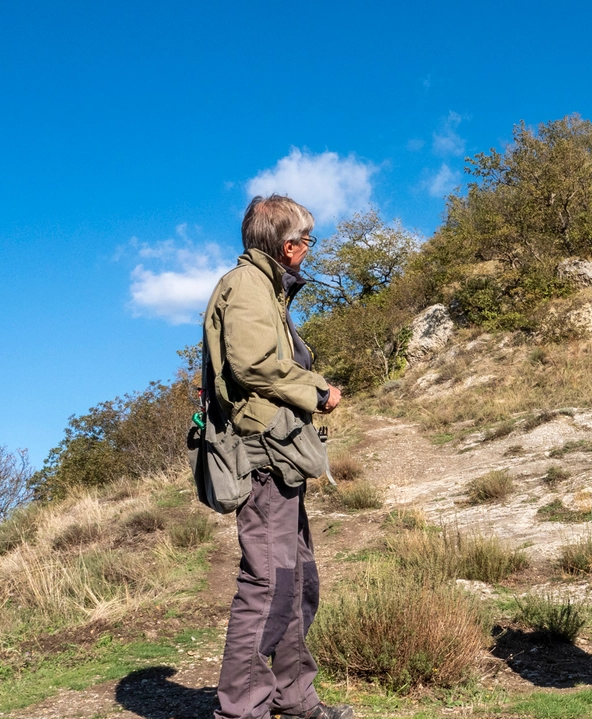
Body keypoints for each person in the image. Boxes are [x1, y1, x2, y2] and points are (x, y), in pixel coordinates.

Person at [203, 194, 352, 719]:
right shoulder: (246, 286)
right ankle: (242, 711)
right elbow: (252, 364)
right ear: (288, 246)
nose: (309, 248)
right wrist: (316, 390)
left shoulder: (267, 289)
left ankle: (294, 698)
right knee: (268, 584)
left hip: (280, 459)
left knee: (296, 581)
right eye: (306, 240)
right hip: (260, 459)